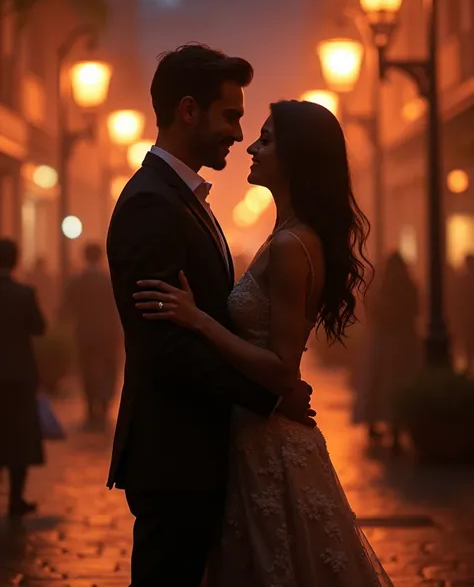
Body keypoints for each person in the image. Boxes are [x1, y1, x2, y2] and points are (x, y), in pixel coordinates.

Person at [133, 100, 395, 586]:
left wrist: (198, 321)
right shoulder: (286, 236)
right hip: (253, 431)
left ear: (297, 157)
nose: (251, 146)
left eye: (267, 139)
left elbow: (281, 370)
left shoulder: (293, 247)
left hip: (268, 439)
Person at [106, 45, 314, 587]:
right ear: (189, 110)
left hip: (198, 453)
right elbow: (166, 347)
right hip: (175, 455)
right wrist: (269, 396)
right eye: (231, 116)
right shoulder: (152, 202)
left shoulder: (183, 197)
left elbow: (205, 320)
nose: (239, 134)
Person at [353, 252, 421, 451]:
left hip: (387, 344)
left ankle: (382, 426)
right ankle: (393, 431)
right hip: (398, 344)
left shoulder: (383, 288)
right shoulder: (404, 288)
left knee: (381, 384)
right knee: (391, 385)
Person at [0, 238, 46, 517]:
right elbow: (39, 327)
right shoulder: (24, 293)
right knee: (18, 436)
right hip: (18, 373)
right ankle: (16, 498)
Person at [62, 242, 121, 431]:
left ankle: (91, 407)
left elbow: (67, 307)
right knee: (110, 369)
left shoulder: (77, 281)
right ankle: (104, 404)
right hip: (108, 333)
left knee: (86, 369)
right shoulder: (109, 280)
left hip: (85, 333)